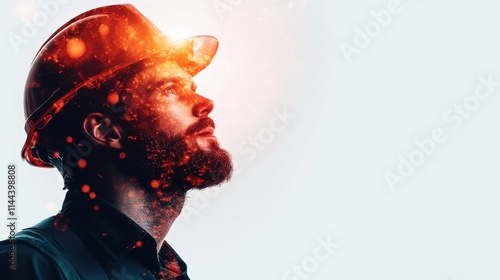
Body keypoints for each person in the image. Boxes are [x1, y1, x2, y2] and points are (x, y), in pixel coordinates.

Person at [0, 4, 232, 280]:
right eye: (169, 89)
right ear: (103, 130)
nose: (205, 103)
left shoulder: (167, 273)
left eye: (191, 88)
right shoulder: (29, 266)